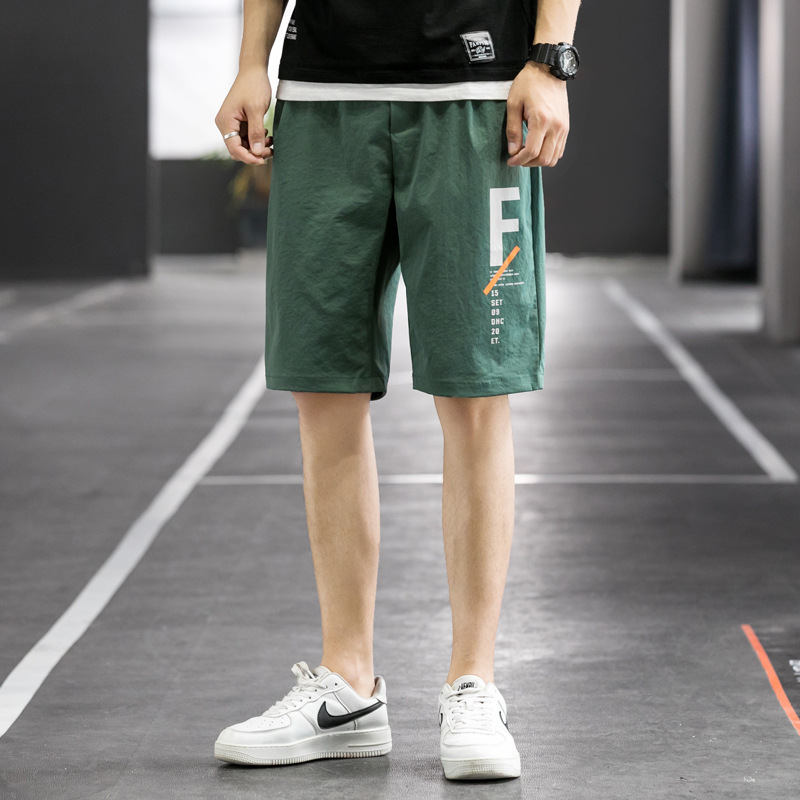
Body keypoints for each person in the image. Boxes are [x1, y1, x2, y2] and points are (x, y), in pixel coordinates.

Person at [213, 0, 581, 781]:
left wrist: (550, 59)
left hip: (474, 94)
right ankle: (347, 686)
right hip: (322, 96)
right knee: (323, 387)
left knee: (476, 392)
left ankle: (474, 684)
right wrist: (251, 60)